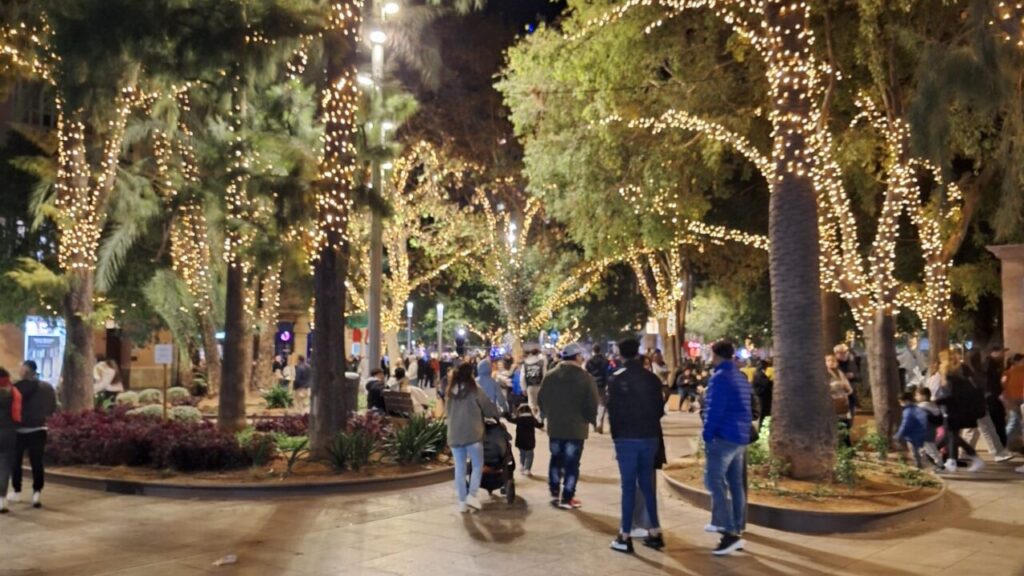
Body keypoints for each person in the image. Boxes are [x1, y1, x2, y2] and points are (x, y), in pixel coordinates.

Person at [606, 338, 665, 554]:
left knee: (628, 487)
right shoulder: (651, 379)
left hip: (626, 439)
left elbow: (613, 413)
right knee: (647, 486)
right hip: (649, 437)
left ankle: (625, 534)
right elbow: (659, 410)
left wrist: (616, 437)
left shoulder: (616, 380)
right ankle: (655, 531)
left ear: (621, 354)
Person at [702, 341, 752, 556]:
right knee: (735, 483)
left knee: (713, 480)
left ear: (716, 355)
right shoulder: (739, 377)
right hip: (740, 437)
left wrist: (707, 433)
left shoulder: (720, 378)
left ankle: (729, 532)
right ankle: (738, 526)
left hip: (723, 436)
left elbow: (714, 410)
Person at [538, 342, 599, 510]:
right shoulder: (585, 378)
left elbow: (541, 399)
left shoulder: (550, 376)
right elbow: (592, 403)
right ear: (577, 357)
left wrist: (547, 414)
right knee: (572, 463)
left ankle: (554, 488)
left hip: (555, 426)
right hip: (576, 428)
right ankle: (568, 496)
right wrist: (591, 420)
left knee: (556, 458)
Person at [445, 363, 500, 513]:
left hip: (455, 434)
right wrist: (497, 414)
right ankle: (472, 494)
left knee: (460, 468)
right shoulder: (475, 390)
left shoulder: (450, 391)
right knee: (477, 465)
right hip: (473, 434)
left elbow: (447, 412)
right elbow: (488, 408)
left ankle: (462, 502)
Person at [11, 360, 56, 509]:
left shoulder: (16, 388)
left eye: (21, 368)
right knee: (37, 463)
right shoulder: (47, 387)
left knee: (15, 462)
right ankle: (36, 493)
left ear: (25, 370)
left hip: (19, 430)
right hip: (39, 429)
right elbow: (52, 408)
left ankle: (17, 491)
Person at [934, 350, 985, 473]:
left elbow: (952, 396)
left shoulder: (950, 376)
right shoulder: (960, 373)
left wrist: (939, 401)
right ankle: (951, 459)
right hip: (958, 410)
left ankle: (952, 461)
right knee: (951, 436)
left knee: (952, 435)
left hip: (953, 411)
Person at [0, 368, 23, 513]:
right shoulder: (14, 393)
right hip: (8, 432)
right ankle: (2, 500)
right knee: (4, 465)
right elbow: (17, 415)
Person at [894, 391, 929, 468]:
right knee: (918, 450)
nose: (900, 404)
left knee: (914, 452)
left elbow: (905, 424)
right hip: (920, 433)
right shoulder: (917, 408)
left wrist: (898, 435)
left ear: (906, 401)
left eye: (901, 402)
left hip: (912, 434)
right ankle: (920, 464)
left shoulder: (908, 411)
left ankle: (919, 466)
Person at [826, 354, 854, 445]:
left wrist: (845, 388)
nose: (831, 363)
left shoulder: (839, 373)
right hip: (831, 403)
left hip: (842, 401)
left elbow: (849, 389)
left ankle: (847, 446)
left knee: (844, 424)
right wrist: (835, 385)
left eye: (833, 361)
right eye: (829, 360)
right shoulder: (825, 373)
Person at [984, 345, 1009, 447]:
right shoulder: (989, 364)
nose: (1003, 354)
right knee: (997, 421)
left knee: (999, 421)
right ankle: (1000, 446)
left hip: (995, 396)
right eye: (1001, 352)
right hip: (992, 397)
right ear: (994, 352)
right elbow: (989, 382)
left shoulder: (995, 364)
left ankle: (1001, 445)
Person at [914, 387, 944, 469]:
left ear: (924, 396)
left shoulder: (921, 406)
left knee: (931, 450)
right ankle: (922, 465)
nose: (915, 397)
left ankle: (940, 465)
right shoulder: (932, 405)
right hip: (930, 431)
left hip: (924, 432)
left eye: (917, 395)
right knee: (924, 449)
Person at [585, 345, 610, 433]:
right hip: (602, 384)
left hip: (592, 383)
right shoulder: (606, 361)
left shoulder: (589, 361)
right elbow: (608, 373)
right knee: (602, 404)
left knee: (593, 404)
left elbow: (586, 372)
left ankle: (594, 423)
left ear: (593, 350)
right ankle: (600, 422)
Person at [512, 403, 542, 476]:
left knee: (522, 454)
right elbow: (539, 425)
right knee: (529, 455)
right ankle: (527, 469)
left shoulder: (518, 419)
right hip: (530, 441)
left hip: (520, 440)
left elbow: (510, 419)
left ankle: (522, 465)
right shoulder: (532, 419)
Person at [1002, 353, 1024, 448]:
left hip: (1021, 398)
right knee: (1014, 420)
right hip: (1012, 399)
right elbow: (1003, 386)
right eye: (1022, 360)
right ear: (1016, 361)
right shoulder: (1007, 373)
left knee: (1017, 422)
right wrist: (1006, 400)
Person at [520, 344, 547, 417]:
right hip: (540, 386)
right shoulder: (541, 362)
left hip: (530, 386)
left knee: (531, 404)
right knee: (540, 404)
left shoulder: (525, 363)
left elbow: (522, 377)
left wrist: (523, 388)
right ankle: (539, 418)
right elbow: (544, 375)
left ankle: (534, 417)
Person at [751, 360, 773, 425]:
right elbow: (764, 384)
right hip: (762, 397)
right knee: (763, 414)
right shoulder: (759, 374)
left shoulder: (758, 373)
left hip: (762, 397)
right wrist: (769, 382)